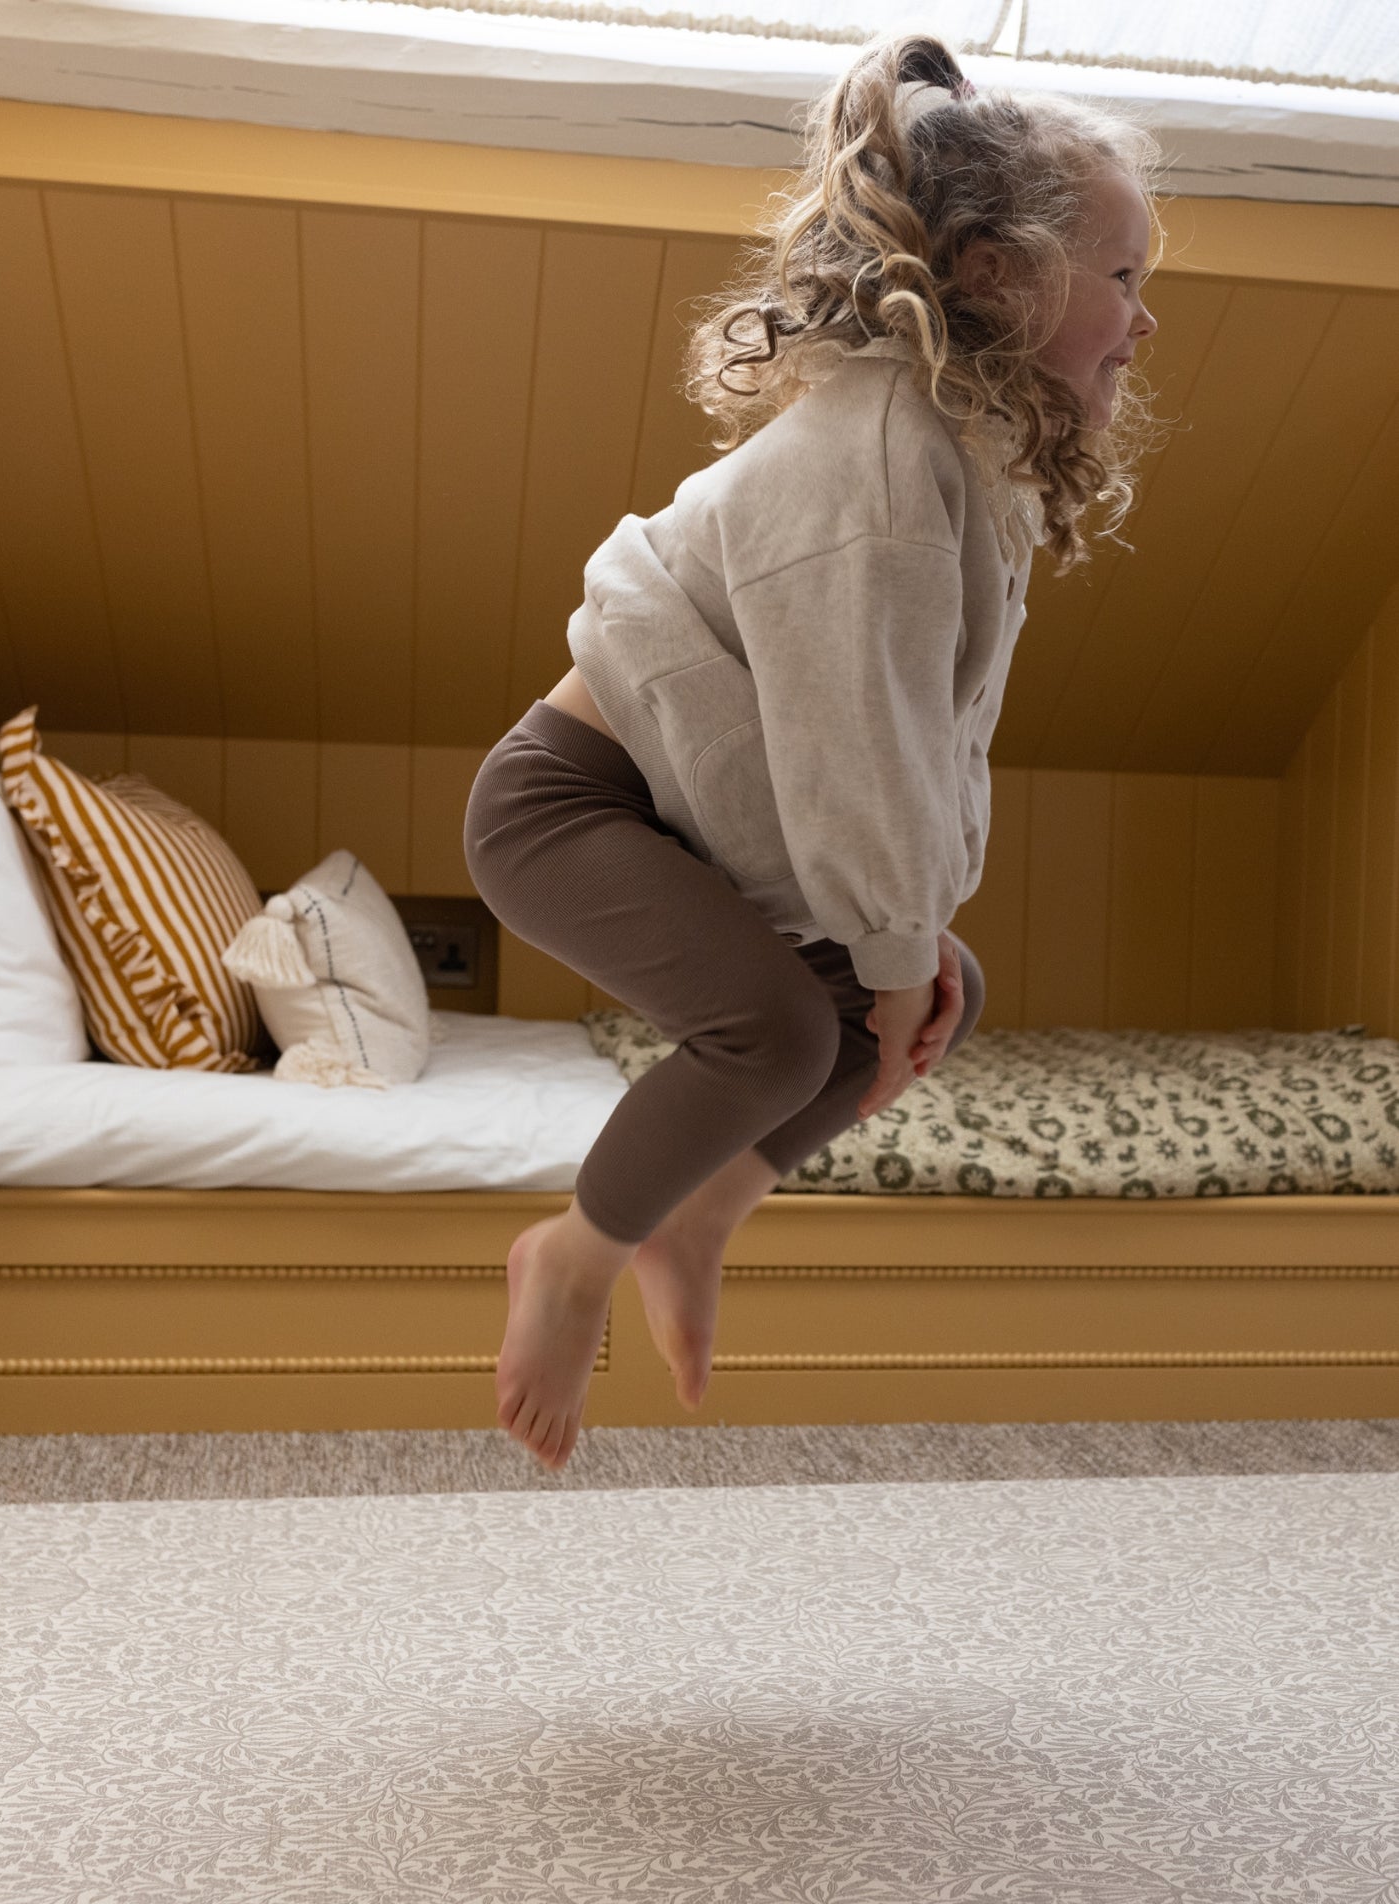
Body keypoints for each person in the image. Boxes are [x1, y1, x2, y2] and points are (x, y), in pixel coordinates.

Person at [463, 30, 1161, 1471]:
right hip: (571, 805)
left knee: (937, 989)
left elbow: (922, 738)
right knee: (780, 1031)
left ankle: (704, 1212)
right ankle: (576, 1255)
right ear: (995, 273)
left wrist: (912, 945)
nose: (1144, 321)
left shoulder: (961, 451)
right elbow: (856, 750)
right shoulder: (882, 458)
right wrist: (885, 943)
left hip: (687, 802)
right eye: (1125, 278)